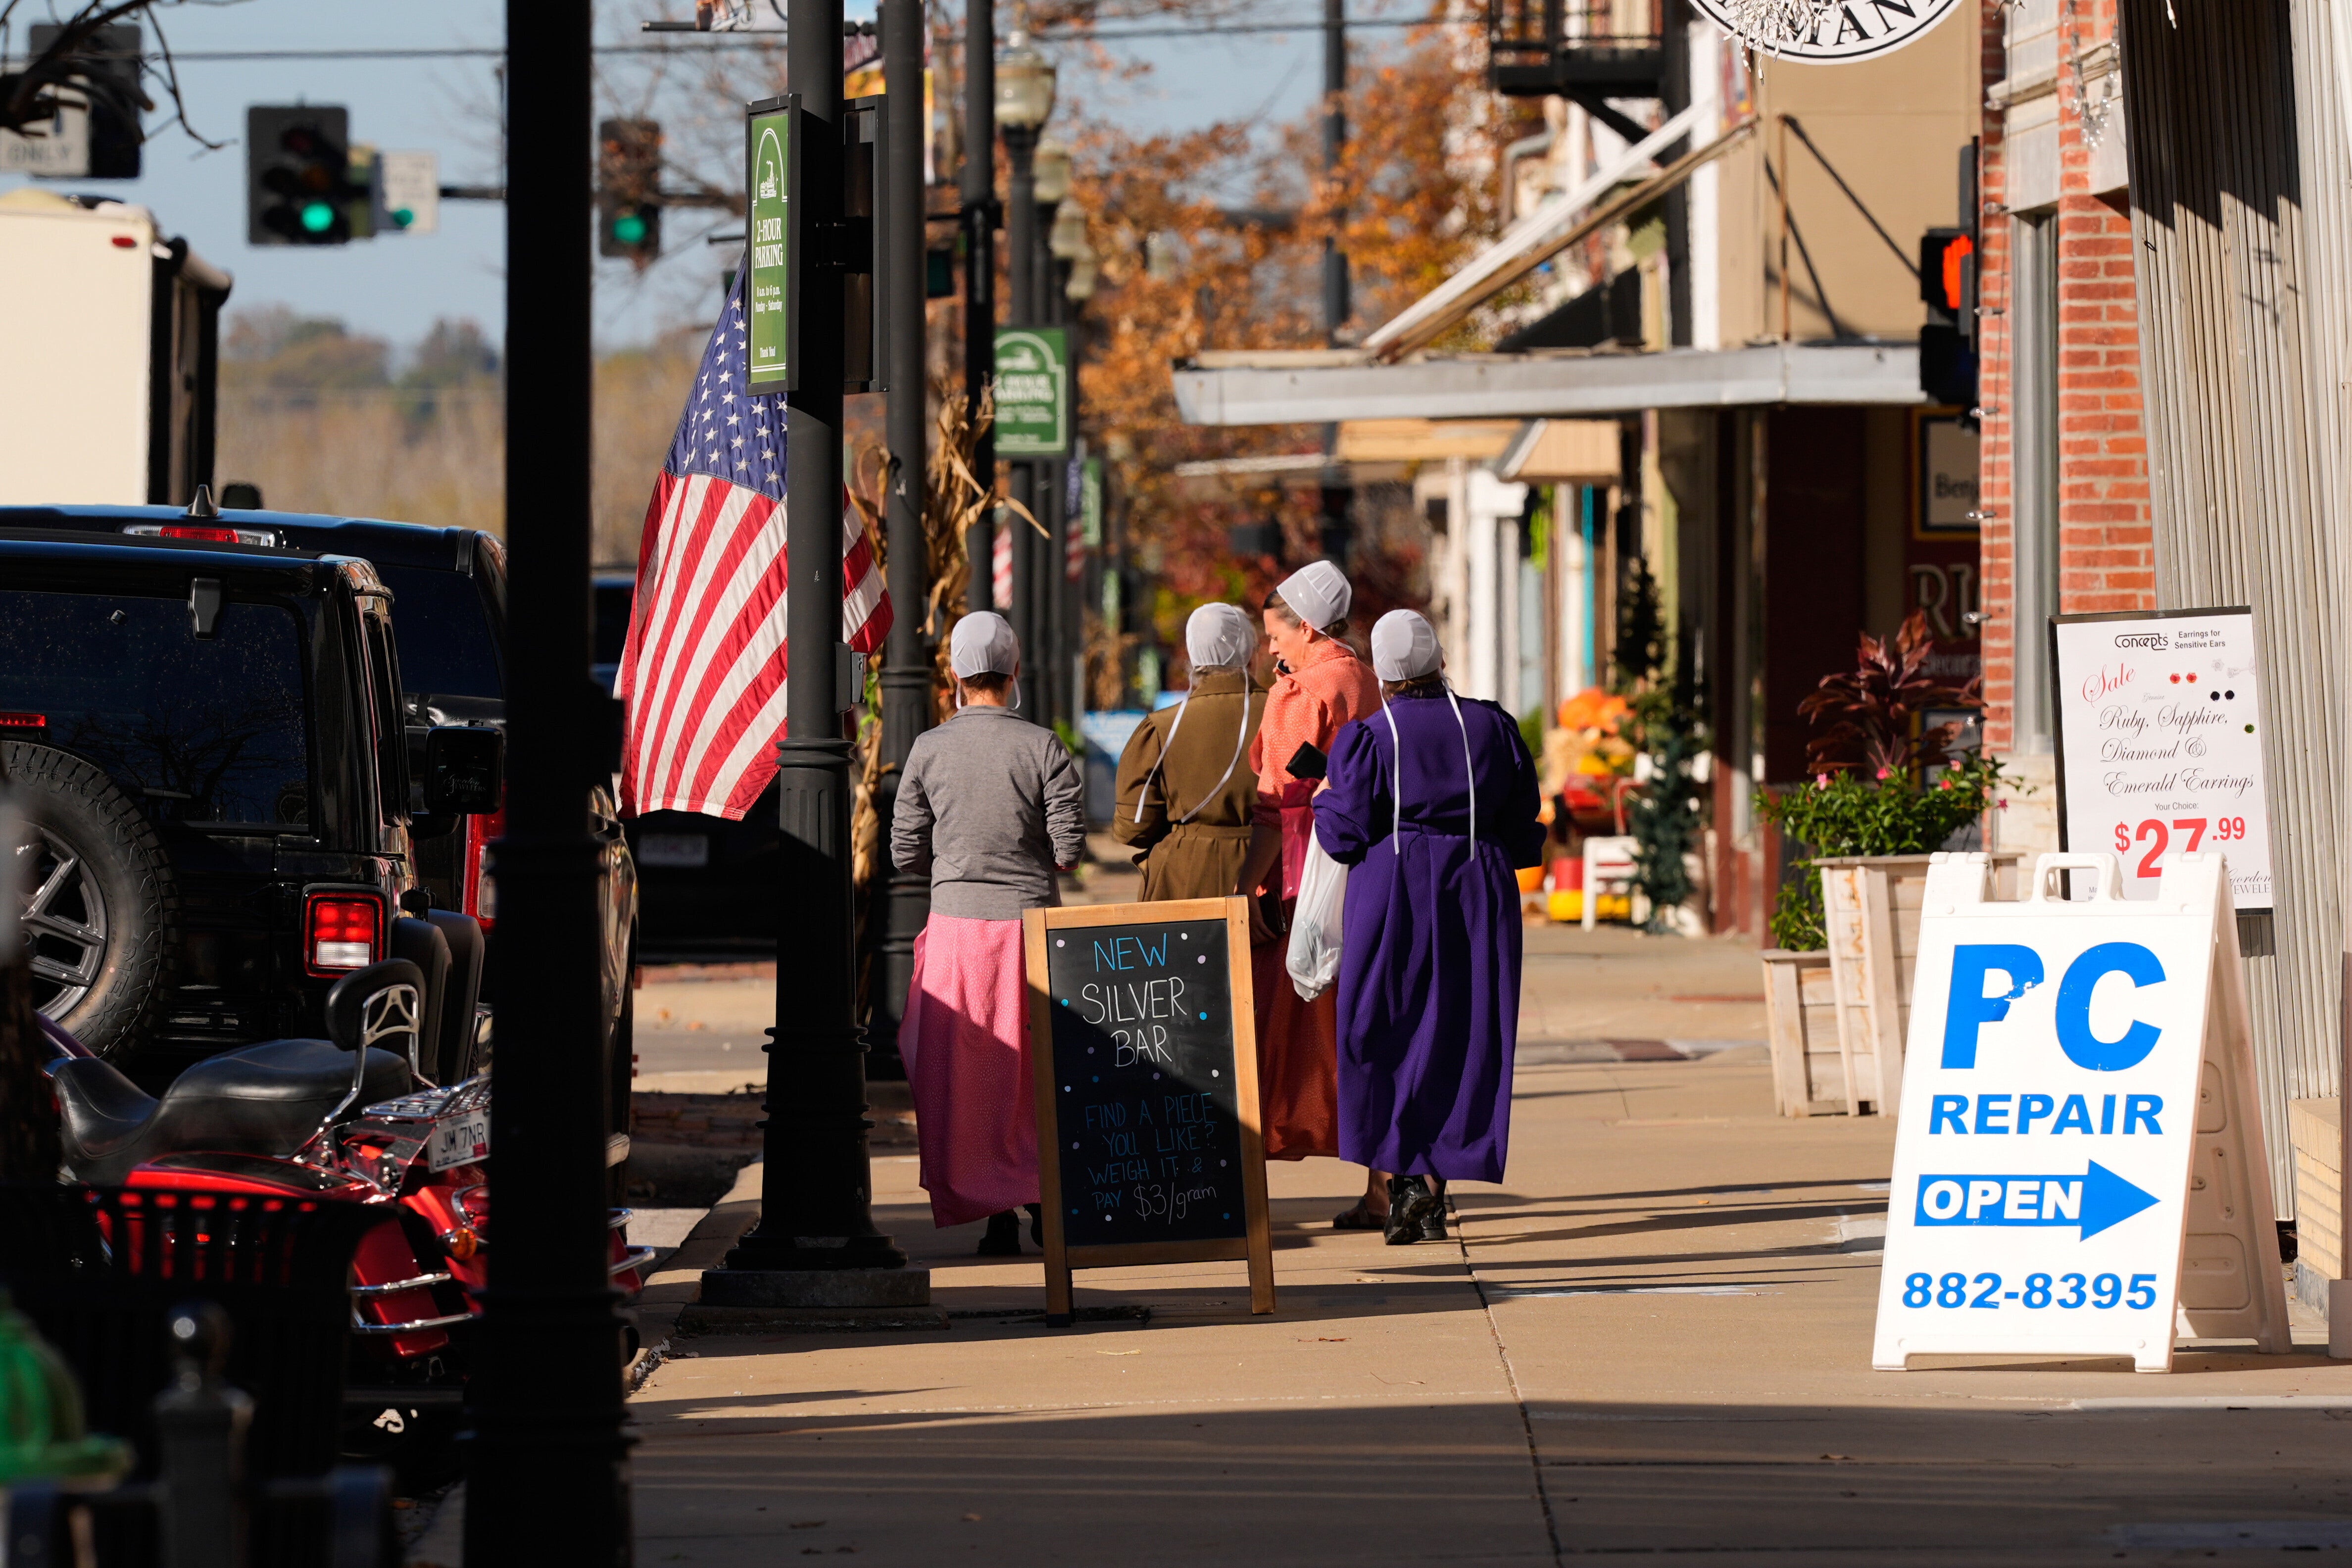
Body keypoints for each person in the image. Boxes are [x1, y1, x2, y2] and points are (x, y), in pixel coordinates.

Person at [1311, 610, 1544, 1245]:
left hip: (1393, 882)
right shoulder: (1492, 725)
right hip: (1476, 881)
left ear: (1384, 675)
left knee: (1381, 1028)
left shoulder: (1371, 736)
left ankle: (1402, 1174)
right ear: (1440, 662)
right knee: (1465, 1030)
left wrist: (1324, 794)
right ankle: (1431, 1183)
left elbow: (1342, 832)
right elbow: (1524, 815)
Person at [892, 612, 1086, 1253]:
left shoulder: (928, 749)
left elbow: (903, 852)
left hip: (954, 932)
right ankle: (1040, 1193)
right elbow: (1067, 850)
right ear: (1015, 672)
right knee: (1036, 1075)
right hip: (1029, 933)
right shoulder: (1044, 747)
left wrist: (953, 868)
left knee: (964, 1078)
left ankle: (990, 1209)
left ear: (953, 674)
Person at [1234, 560, 1383, 1216]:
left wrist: (1249, 886)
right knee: (1363, 1026)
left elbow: (1278, 802)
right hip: (1370, 866)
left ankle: (1241, 1189)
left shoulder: (1301, 692)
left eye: (1276, 635)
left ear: (1308, 626)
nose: (1271, 648)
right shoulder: (1364, 679)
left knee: (1290, 1029)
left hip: (1303, 870)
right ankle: (1384, 1183)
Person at [1111, 603, 1265, 901]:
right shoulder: (1282, 712)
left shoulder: (1161, 727)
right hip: (1269, 878)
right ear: (1250, 653)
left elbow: (1133, 827)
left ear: (1193, 655)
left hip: (1185, 881)